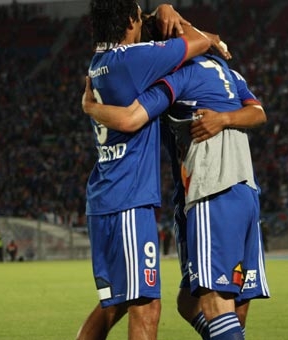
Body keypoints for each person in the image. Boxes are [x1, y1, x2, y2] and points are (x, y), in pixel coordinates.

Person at [82, 39, 270, 339]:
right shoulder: (229, 74)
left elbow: (130, 119)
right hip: (246, 189)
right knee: (210, 303)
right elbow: (259, 112)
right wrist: (227, 117)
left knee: (215, 301)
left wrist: (91, 107)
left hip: (211, 189)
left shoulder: (178, 78)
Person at [76, 2, 227, 340]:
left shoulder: (100, 63)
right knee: (146, 308)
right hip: (129, 201)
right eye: (139, 15)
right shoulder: (134, 59)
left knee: (113, 307)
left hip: (106, 195)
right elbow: (203, 40)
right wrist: (168, 12)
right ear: (130, 21)